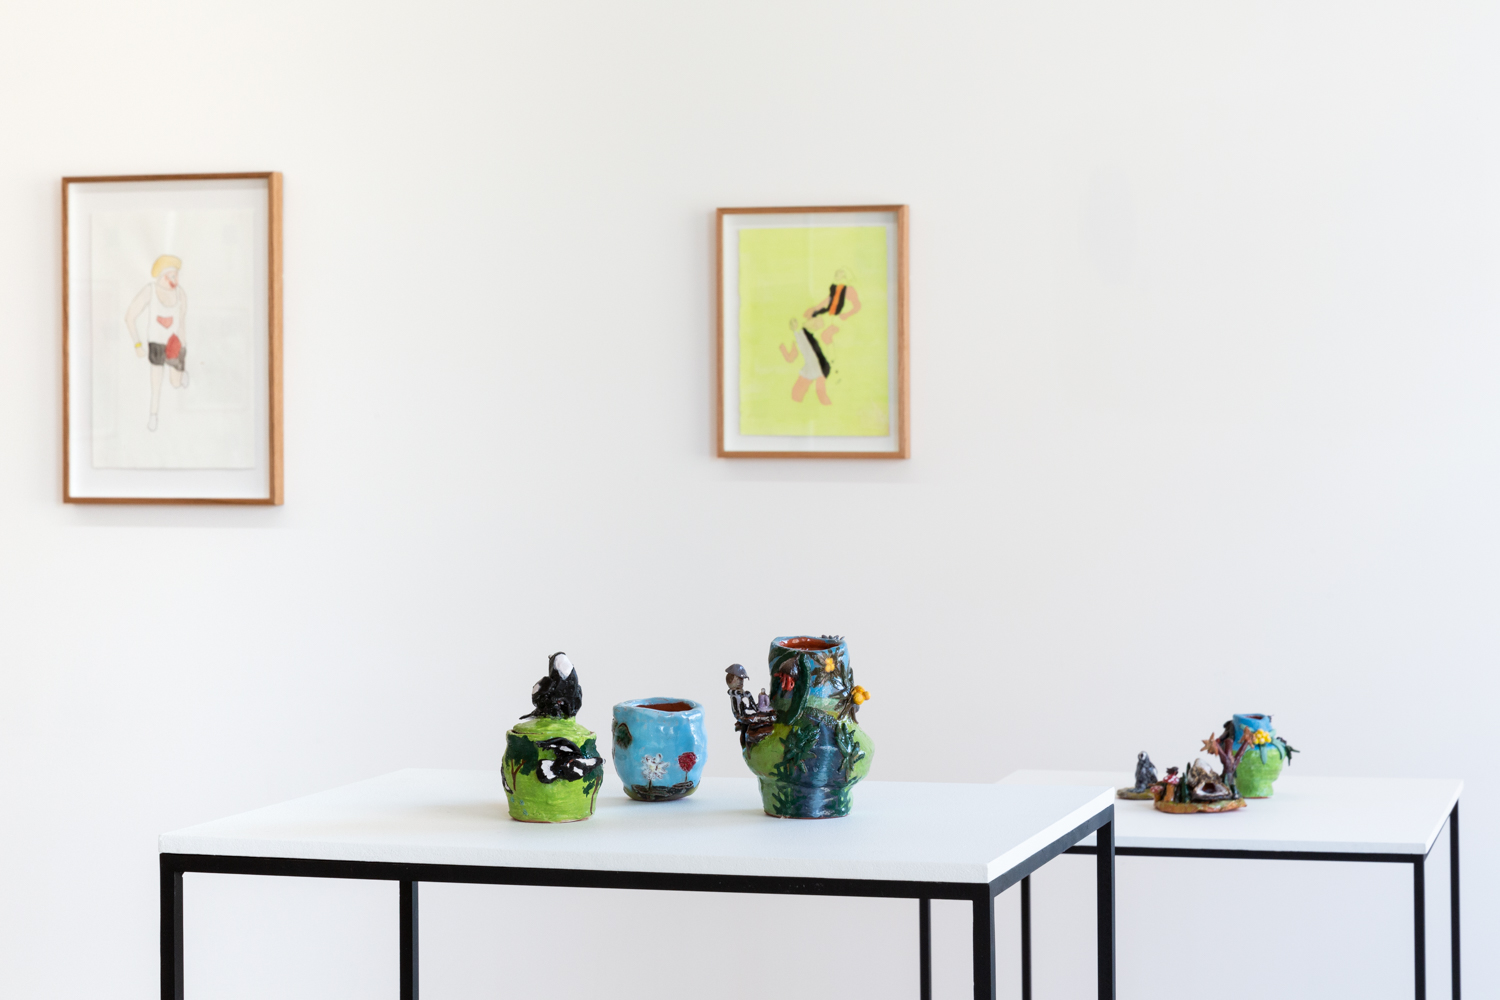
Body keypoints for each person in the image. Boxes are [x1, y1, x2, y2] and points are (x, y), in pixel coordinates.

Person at [123, 255, 189, 431]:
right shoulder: (150, 290)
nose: (175, 280)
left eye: (176, 275)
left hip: (175, 343)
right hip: (157, 344)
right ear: (161, 276)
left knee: (175, 383)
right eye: (171, 276)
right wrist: (137, 345)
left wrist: (183, 349)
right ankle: (153, 415)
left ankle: (182, 374)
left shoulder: (181, 294)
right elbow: (129, 317)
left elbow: (182, 322)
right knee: (156, 384)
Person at [779, 316, 834, 405]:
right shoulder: (800, 334)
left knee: (799, 392)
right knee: (797, 392)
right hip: (815, 366)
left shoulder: (803, 332)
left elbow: (805, 347)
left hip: (817, 366)